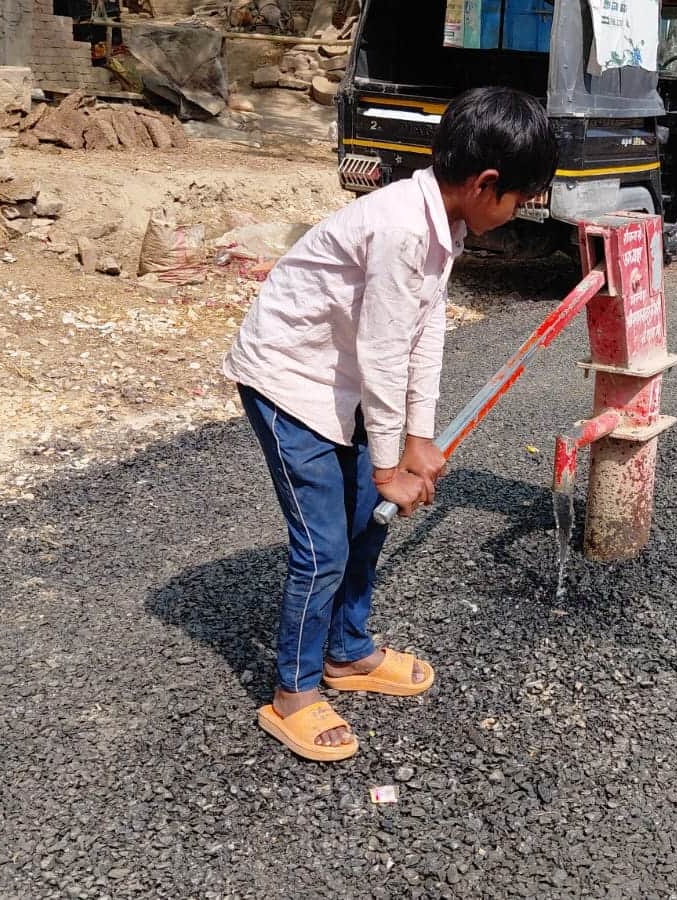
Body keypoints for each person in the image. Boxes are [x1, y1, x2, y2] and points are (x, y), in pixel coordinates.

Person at [221, 86, 557, 762]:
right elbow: (380, 351)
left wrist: (419, 437)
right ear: (486, 183)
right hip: (290, 381)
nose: (520, 211)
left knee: (364, 519)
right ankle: (292, 694)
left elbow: (424, 329)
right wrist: (386, 464)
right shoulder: (404, 226)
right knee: (322, 545)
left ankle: (345, 653)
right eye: (520, 199)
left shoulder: (445, 223)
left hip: (342, 379)